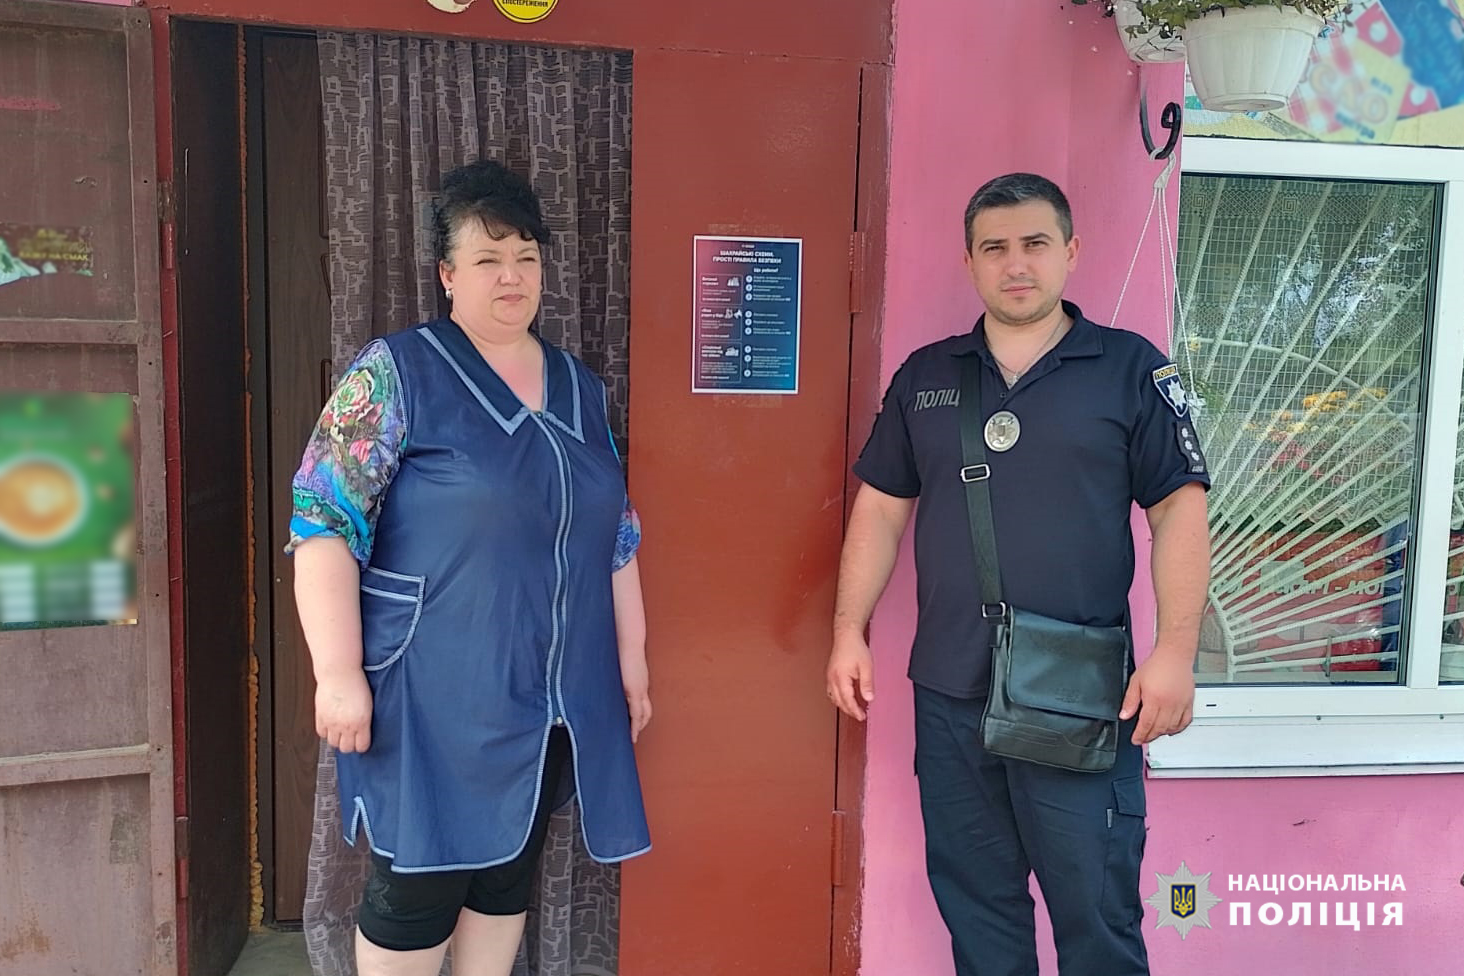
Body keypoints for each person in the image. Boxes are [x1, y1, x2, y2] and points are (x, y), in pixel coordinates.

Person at [826, 173, 1211, 976]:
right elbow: (882, 509)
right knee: (979, 912)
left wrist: (1176, 652)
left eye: (1035, 243)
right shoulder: (927, 377)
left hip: (1079, 693)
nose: (1016, 264)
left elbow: (1179, 512)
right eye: (994, 248)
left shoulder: (1130, 371)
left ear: (1070, 251)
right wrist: (847, 630)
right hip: (952, 690)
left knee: (1096, 916)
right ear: (969, 262)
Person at [288, 159, 652, 976]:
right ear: (448, 275)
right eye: (488, 259)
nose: (511, 276)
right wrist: (337, 674)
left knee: (505, 871)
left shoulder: (580, 388)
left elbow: (616, 536)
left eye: (525, 256)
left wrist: (631, 660)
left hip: (556, 689)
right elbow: (322, 522)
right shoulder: (398, 372)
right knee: (419, 882)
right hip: (432, 689)